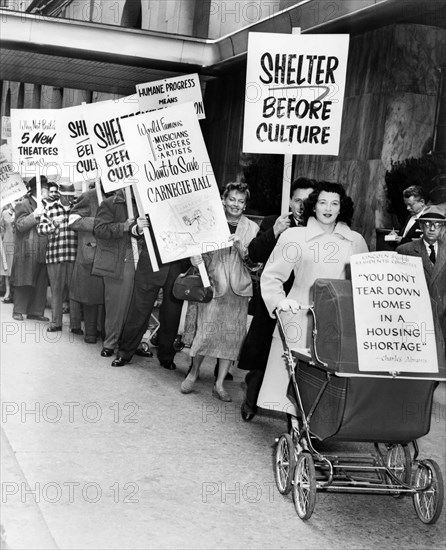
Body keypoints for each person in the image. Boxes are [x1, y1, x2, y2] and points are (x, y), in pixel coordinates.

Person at [257, 181, 369, 416]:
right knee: (293, 385)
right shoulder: (294, 236)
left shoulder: (355, 241)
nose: (328, 208)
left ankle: (317, 427)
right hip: (298, 316)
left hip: (337, 323)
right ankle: (298, 433)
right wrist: (279, 301)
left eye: (334, 203)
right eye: (323, 202)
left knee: (328, 383)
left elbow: (364, 285)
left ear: (342, 208)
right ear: (314, 206)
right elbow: (272, 276)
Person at [238, 177, 317, 421]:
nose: (301, 205)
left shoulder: (322, 229)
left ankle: (300, 411)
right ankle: (251, 401)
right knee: (263, 353)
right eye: (297, 200)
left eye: (307, 200)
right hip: (274, 300)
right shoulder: (275, 222)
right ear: (290, 202)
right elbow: (254, 253)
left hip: (304, 302)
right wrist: (274, 232)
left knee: (302, 358)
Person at [181, 182, 259, 402]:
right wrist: (196, 260)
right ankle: (194, 373)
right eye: (232, 199)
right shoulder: (210, 223)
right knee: (205, 334)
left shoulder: (252, 228)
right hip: (214, 287)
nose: (236, 204)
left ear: (245, 205)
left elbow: (255, 265)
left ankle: (219, 384)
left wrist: (242, 248)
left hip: (239, 292)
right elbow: (202, 257)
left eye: (241, 201)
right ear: (224, 200)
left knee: (231, 340)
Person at [110, 217, 185, 369]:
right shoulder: (152, 197)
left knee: (172, 315)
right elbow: (134, 227)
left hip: (177, 267)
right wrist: (138, 227)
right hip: (150, 264)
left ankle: (167, 356)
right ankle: (124, 352)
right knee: (138, 310)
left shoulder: (189, 201)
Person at [92, 189, 138, 357]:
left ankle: (130, 342)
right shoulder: (110, 203)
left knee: (135, 305)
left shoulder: (144, 203)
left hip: (140, 258)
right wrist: (124, 227)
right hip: (119, 260)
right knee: (116, 305)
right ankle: (111, 342)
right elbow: (99, 229)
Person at [396, 205, 446, 353]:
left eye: (437, 225)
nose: (432, 228)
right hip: (415, 316)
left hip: (443, 316)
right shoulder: (405, 250)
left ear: (442, 228)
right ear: (420, 226)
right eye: (427, 224)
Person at [68, 186, 104, 344]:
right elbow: (73, 221)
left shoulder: (123, 197)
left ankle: (102, 331)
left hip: (112, 255)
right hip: (91, 254)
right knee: (90, 295)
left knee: (106, 296)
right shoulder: (89, 196)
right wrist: (100, 223)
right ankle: (90, 332)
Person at [11, 176, 50, 322]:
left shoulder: (47, 204)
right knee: (24, 280)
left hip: (43, 248)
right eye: (45, 188)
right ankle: (18, 310)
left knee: (40, 281)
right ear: (38, 190)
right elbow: (20, 225)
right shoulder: (24, 204)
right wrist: (34, 215)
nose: (48, 191)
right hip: (28, 249)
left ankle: (35, 311)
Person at [1, 202, 16, 303]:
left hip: (18, 242)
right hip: (8, 241)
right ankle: (7, 291)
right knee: (7, 268)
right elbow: (2, 227)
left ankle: (16, 293)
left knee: (17, 267)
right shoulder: (5, 213)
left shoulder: (20, 211)